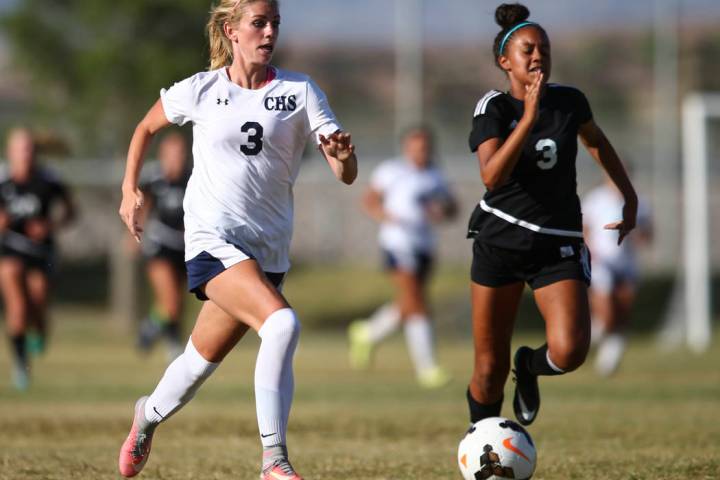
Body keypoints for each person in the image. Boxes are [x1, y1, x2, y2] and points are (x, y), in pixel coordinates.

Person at [116, 1, 357, 478]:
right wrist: (130, 188)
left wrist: (343, 156)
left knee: (197, 363)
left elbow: (345, 173)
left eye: (275, 24)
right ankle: (274, 460)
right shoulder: (202, 90)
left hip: (267, 251)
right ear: (231, 31)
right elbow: (146, 126)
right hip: (212, 240)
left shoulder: (300, 90)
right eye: (258, 23)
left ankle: (146, 415)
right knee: (283, 325)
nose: (269, 33)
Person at [465, 3, 637, 428]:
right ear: (505, 61)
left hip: (556, 242)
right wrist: (528, 117)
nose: (538, 55)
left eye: (544, 47)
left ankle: (528, 367)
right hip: (500, 240)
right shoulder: (495, 108)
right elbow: (491, 176)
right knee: (487, 372)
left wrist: (627, 195)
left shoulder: (570, 102)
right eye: (528, 49)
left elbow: (597, 142)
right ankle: (482, 446)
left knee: (571, 350)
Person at [348, 126, 457, 388]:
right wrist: (388, 218)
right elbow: (370, 200)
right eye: (416, 146)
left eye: (425, 146)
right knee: (418, 304)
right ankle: (427, 368)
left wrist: (443, 211)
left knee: (409, 303)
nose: (421, 151)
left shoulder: (436, 176)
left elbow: (452, 208)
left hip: (424, 246)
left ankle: (367, 333)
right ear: (407, 147)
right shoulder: (392, 171)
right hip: (398, 244)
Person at [0, 127, 76, 390]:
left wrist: (50, 226)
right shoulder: (3, 181)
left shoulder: (48, 180)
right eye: (20, 149)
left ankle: (39, 327)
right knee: (17, 308)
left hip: (41, 252)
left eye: (29, 149)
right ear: (10, 153)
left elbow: (70, 212)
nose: (25, 154)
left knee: (38, 298)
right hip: (10, 249)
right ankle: (21, 364)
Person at [583, 174, 652, 376]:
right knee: (607, 312)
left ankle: (609, 360)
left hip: (627, 263)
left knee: (623, 311)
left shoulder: (639, 200)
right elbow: (584, 228)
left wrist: (639, 235)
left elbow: (647, 233)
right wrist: (588, 250)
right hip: (601, 261)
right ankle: (589, 340)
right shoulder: (596, 199)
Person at [135, 132, 191, 362]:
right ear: (162, 155)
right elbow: (141, 205)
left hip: (186, 246)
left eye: (179, 154)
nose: (174, 159)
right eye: (170, 154)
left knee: (176, 301)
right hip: (159, 244)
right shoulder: (153, 180)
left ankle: (151, 326)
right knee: (170, 300)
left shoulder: (194, 178)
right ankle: (174, 345)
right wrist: (134, 233)